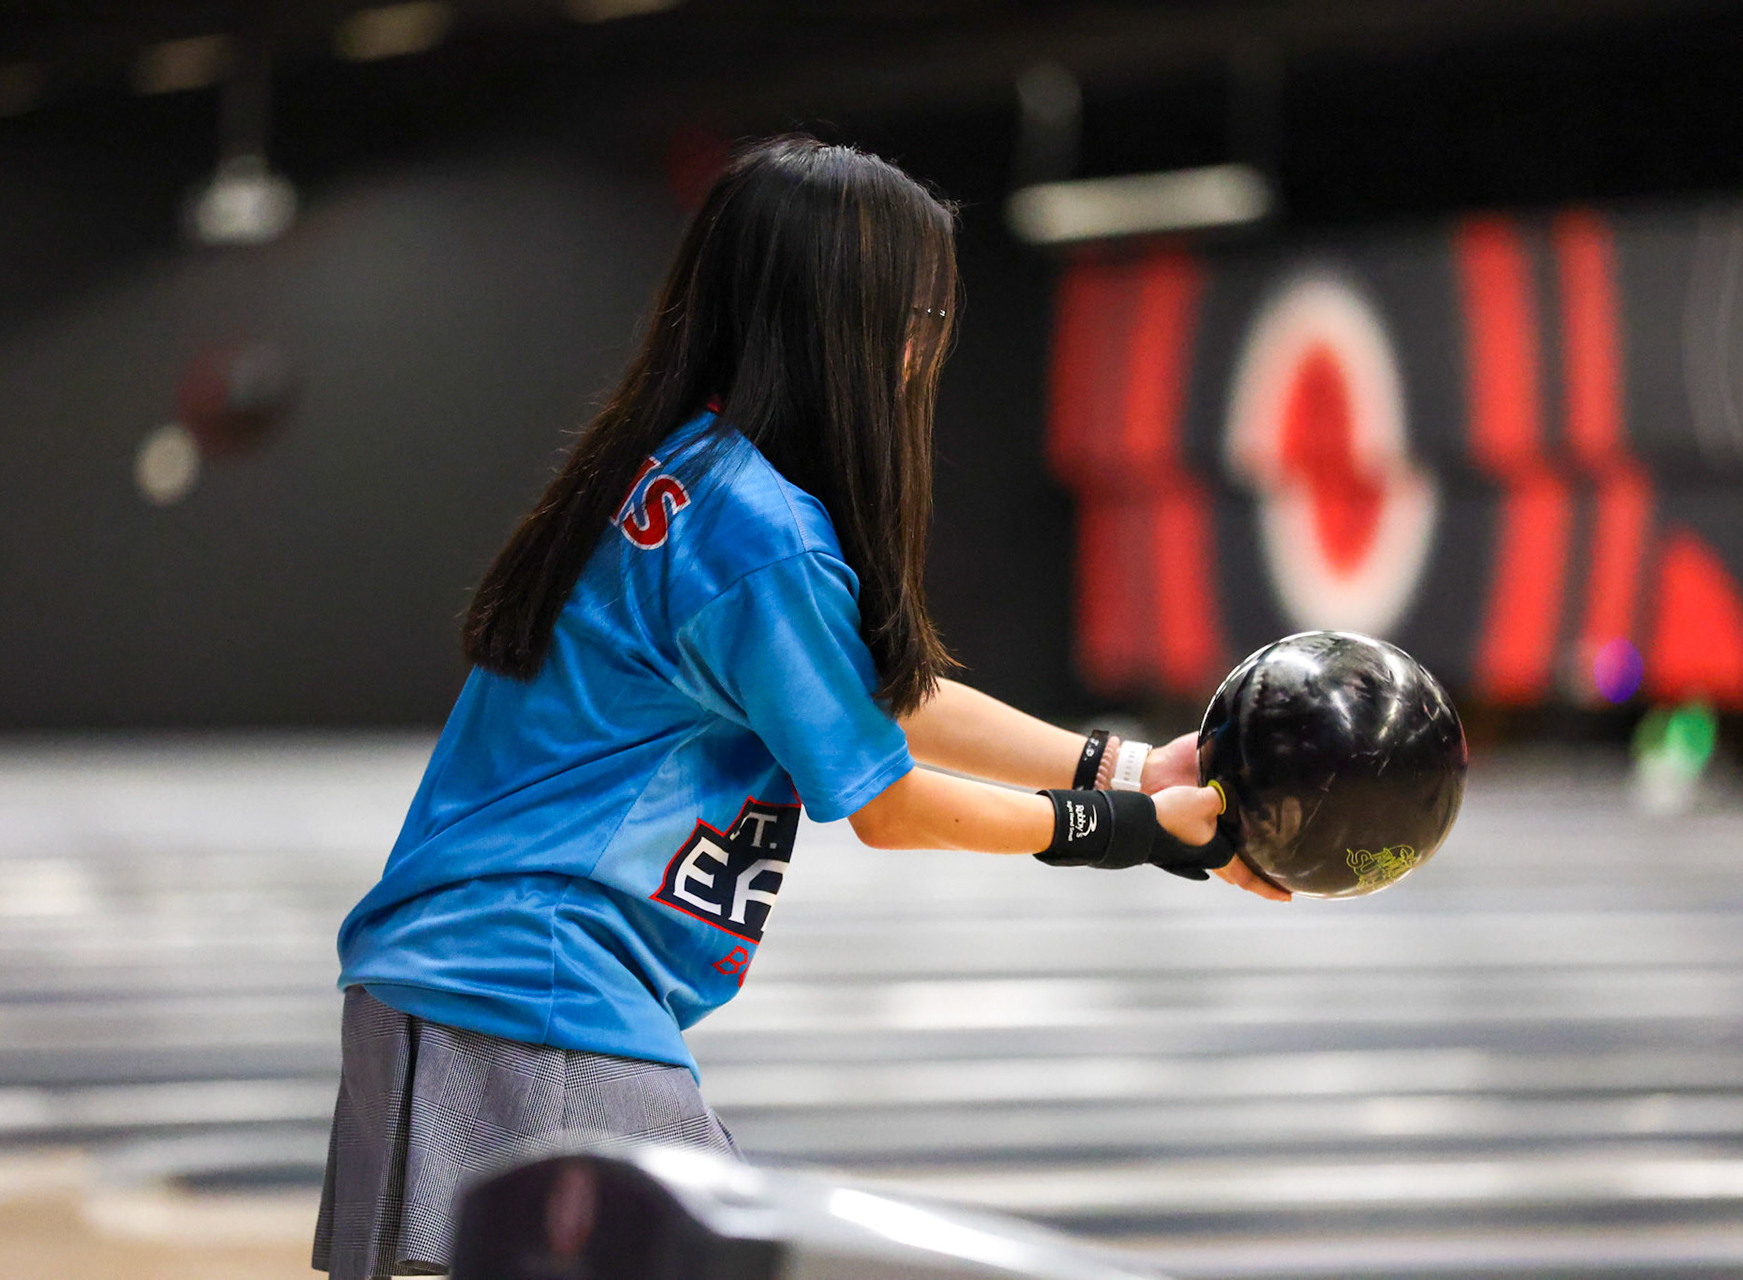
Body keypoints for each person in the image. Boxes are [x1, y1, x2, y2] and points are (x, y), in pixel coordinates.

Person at [312, 134, 1287, 1280]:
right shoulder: (759, 528)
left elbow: (884, 698)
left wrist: (1123, 770)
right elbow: (882, 798)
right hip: (537, 984)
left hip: (453, 971)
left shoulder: (679, 472)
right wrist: (1131, 837)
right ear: (846, 321)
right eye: (917, 313)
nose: (927, 349)